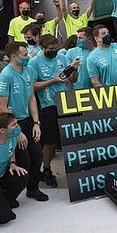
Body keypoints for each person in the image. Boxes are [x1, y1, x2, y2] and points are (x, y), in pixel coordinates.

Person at [0, 42, 47, 202]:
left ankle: (33, 189)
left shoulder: (29, 70)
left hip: (27, 120)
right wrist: (17, 132)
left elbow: (31, 97)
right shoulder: (6, 75)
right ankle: (11, 194)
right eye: (24, 55)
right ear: (13, 57)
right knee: (24, 160)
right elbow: (2, 106)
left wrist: (36, 123)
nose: (28, 57)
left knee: (37, 156)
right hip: (11, 124)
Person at [30, 34, 78, 188]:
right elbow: (32, 86)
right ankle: (46, 169)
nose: (54, 51)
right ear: (43, 48)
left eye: (56, 48)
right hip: (48, 105)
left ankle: (74, 169)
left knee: (70, 139)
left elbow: (73, 79)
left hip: (66, 102)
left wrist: (74, 69)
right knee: (50, 142)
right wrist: (53, 81)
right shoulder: (34, 62)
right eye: (51, 49)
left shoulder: (62, 58)